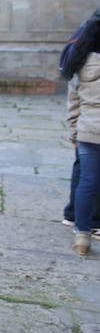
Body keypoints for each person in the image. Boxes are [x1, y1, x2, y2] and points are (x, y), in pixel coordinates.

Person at [66, 47, 100, 255]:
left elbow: (73, 101)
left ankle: (82, 235)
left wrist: (73, 133)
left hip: (88, 130)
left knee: (87, 181)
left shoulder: (82, 59)